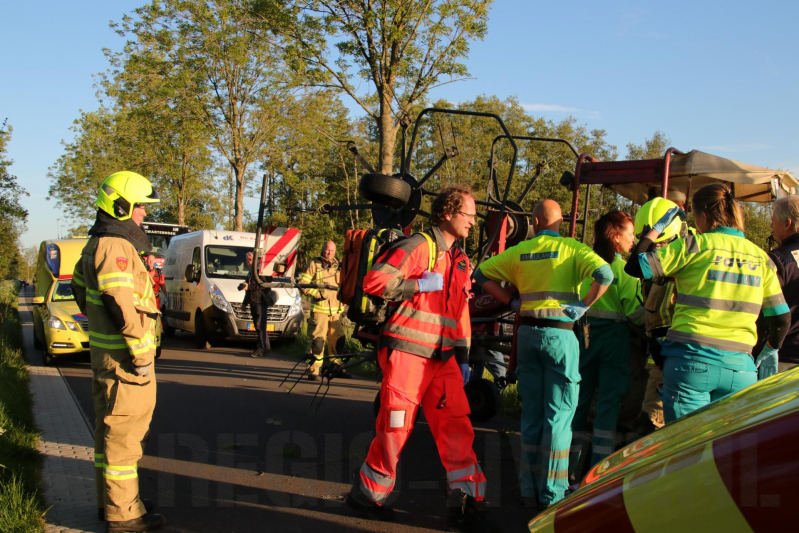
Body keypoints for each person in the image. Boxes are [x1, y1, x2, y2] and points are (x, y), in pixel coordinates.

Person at [346, 187, 494, 532]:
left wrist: (463, 357)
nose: (473, 221)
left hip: (443, 362)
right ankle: (367, 497)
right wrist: (418, 287)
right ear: (447, 213)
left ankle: (466, 503)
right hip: (408, 354)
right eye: (468, 214)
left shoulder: (460, 260)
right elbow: (375, 280)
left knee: (457, 429)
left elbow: (460, 315)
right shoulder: (418, 247)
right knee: (395, 429)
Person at [473, 199, 613, 509]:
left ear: (535, 222)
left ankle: (527, 489)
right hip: (561, 336)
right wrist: (582, 306)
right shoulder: (573, 250)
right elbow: (605, 274)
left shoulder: (520, 251)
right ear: (561, 221)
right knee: (559, 418)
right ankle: (553, 494)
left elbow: (481, 273)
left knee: (532, 416)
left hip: (527, 336)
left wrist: (511, 303)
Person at [625, 183, 790, 423]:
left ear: (703, 215)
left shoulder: (692, 247)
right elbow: (781, 319)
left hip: (690, 362)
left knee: (686, 446)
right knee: (725, 450)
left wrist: (654, 230)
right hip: (740, 368)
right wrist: (771, 348)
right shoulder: (761, 258)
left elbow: (634, 266)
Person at [71, 171, 165, 532]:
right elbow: (119, 304)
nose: (144, 213)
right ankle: (124, 517)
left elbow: (82, 291)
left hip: (109, 359)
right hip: (126, 364)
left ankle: (117, 503)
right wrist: (141, 354)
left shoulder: (96, 244)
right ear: (122, 206)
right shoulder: (116, 246)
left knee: (108, 435)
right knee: (124, 439)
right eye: (140, 206)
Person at [569, 211, 643, 478]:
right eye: (630, 234)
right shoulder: (624, 270)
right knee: (608, 410)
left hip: (584, 338)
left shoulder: (585, 264)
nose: (633, 240)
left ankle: (568, 471)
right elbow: (636, 314)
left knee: (578, 404)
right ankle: (597, 475)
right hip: (615, 342)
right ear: (615, 236)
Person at [761, 195, 799, 372]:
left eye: (773, 220)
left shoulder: (777, 260)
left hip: (783, 356)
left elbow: (764, 312)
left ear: (787, 224)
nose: (770, 226)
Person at [299, 241, 346, 380]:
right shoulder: (313, 264)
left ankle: (336, 366)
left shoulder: (339, 266)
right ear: (322, 249)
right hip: (320, 310)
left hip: (336, 311)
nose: (329, 253)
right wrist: (317, 294)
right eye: (327, 250)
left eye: (332, 251)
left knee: (338, 340)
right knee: (318, 341)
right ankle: (313, 371)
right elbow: (304, 285)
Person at [241, 251, 275, 358]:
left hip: (260, 302)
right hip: (253, 301)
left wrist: (249, 286)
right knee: (258, 326)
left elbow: (264, 285)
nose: (248, 262)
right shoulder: (250, 273)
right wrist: (244, 303)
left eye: (250, 259)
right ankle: (266, 347)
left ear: (256, 260)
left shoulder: (261, 272)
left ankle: (261, 349)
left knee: (260, 326)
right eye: (247, 260)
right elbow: (248, 291)